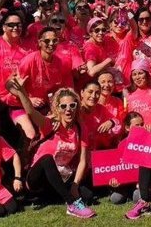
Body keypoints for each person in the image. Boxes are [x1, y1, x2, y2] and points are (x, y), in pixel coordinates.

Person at [8, 81, 96, 219]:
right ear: (57, 108)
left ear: (77, 107)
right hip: (37, 179)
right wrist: (21, 92)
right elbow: (30, 111)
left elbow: (83, 161)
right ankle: (71, 204)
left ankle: (58, 196)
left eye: (72, 105)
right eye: (63, 106)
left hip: (60, 177)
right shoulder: (49, 124)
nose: (68, 109)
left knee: (88, 195)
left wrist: (75, 185)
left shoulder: (80, 128)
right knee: (47, 159)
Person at [16, 27, 74, 139]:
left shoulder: (60, 63)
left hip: (45, 106)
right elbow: (11, 85)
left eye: (54, 40)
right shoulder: (29, 60)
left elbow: (61, 91)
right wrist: (28, 99)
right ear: (40, 43)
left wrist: (54, 111)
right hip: (21, 104)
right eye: (47, 41)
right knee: (30, 134)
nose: (51, 44)